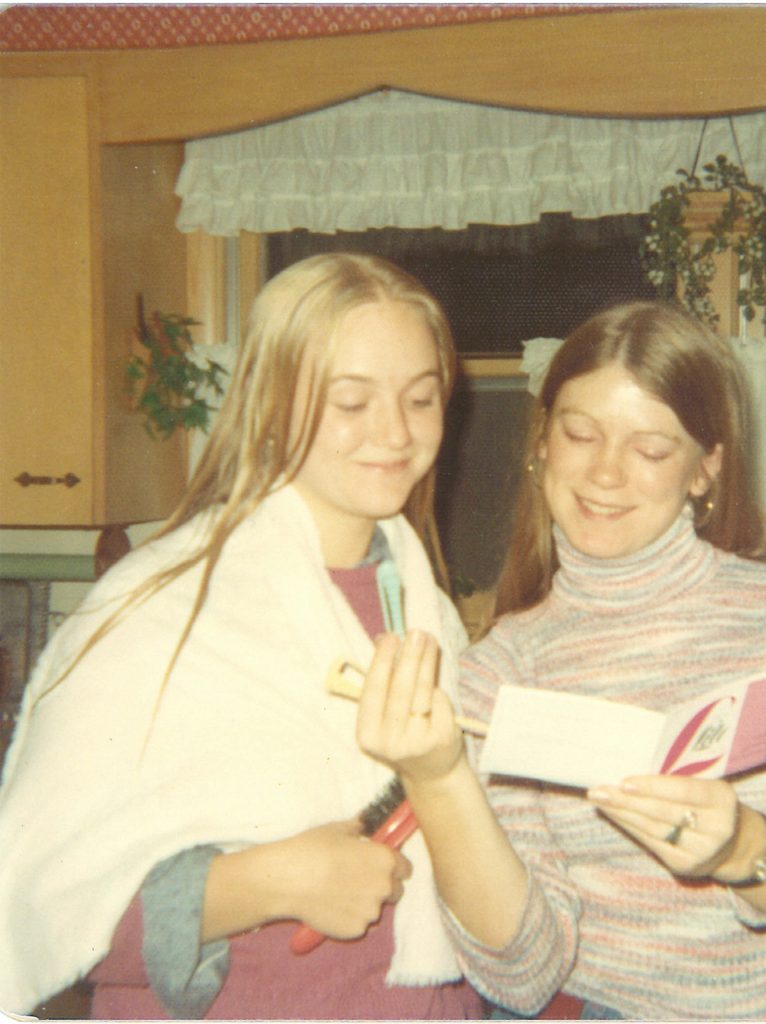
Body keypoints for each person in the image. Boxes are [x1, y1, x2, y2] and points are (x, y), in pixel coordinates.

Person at [355, 301, 766, 1020]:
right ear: (543, 443)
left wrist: (746, 850)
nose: (605, 473)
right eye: (580, 434)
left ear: (705, 469)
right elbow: (522, 977)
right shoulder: (500, 671)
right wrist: (440, 780)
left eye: (652, 450)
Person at [0, 253, 484, 1020]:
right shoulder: (155, 610)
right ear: (270, 403)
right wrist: (265, 883)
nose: (395, 431)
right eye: (351, 401)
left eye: (421, 399)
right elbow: (33, 916)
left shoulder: (432, 615)